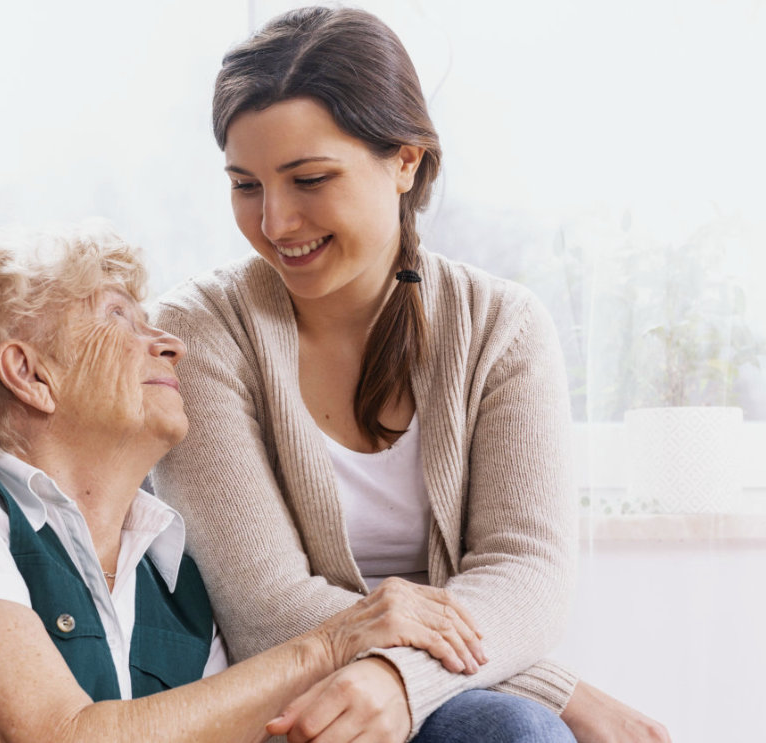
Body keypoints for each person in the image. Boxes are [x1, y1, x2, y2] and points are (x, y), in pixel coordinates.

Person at [150, 7, 670, 743]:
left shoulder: (502, 326)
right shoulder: (201, 332)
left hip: (453, 696)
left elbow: (526, 574)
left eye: (308, 179)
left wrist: (399, 678)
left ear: (406, 160)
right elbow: (261, 604)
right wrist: (560, 685)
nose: (275, 222)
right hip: (277, 698)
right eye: (245, 184)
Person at [0, 224, 496, 742]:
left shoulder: (173, 576)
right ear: (31, 373)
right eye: (117, 317)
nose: (171, 343)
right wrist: (332, 641)